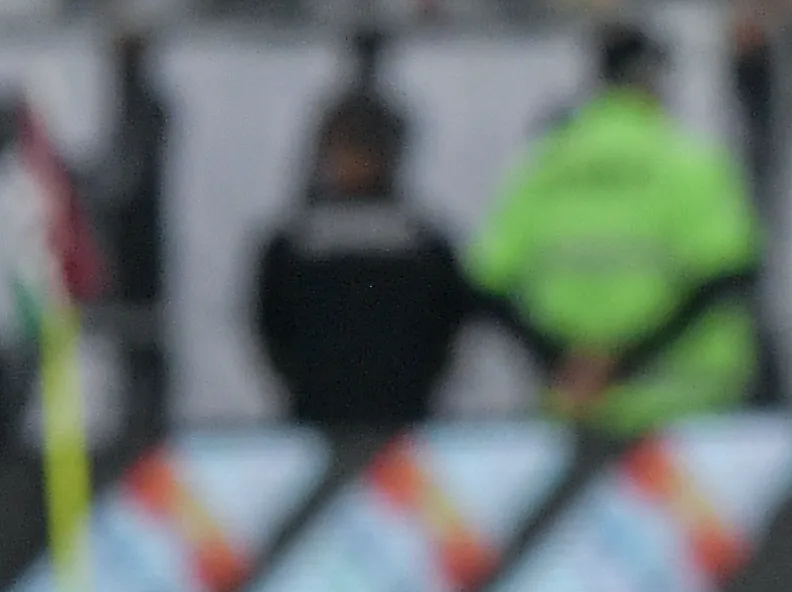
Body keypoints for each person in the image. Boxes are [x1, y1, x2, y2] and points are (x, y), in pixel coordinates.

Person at [471, 23, 761, 430]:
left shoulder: (542, 166)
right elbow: (726, 276)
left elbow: (490, 285)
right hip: (680, 413)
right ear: (654, 80)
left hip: (574, 408)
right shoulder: (691, 164)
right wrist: (622, 364)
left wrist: (563, 363)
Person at [254, 87, 473, 427]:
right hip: (324, 419)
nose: (356, 164)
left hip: (399, 421)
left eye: (365, 150)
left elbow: (449, 318)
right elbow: (271, 321)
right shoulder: (295, 242)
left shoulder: (422, 241)